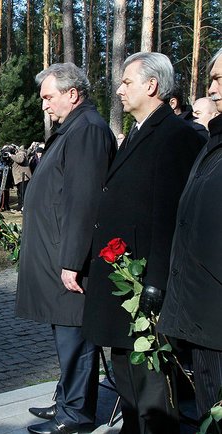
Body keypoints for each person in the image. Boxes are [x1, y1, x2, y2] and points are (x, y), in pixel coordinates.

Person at [82, 52, 205, 434]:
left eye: (126, 82)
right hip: (122, 279)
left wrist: (156, 281)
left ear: (151, 86)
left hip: (143, 284)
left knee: (150, 380)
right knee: (125, 368)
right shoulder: (138, 131)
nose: (119, 90)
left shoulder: (174, 136)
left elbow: (170, 216)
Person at [15, 62, 116, 434]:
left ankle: (75, 415)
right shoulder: (73, 128)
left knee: (75, 334)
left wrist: (72, 260)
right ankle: (66, 399)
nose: (44, 105)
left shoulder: (87, 130)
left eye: (48, 97)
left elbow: (83, 201)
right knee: (65, 334)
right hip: (58, 254)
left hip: (71, 259)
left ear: (72, 94)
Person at [157, 47, 222, 423]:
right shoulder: (212, 143)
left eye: (218, 79)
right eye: (211, 78)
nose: (211, 88)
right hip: (202, 318)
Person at [9, 145, 32, 210]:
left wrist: (11, 156)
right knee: (19, 193)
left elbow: (20, 160)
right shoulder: (17, 154)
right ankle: (20, 206)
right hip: (19, 177)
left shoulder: (21, 153)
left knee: (23, 193)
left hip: (24, 177)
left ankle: (24, 206)